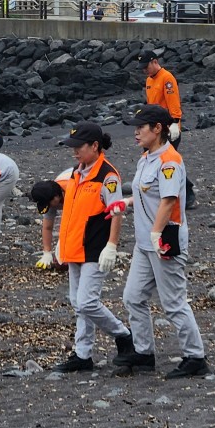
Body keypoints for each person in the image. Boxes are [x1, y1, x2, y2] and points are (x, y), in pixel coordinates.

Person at [30, 122, 134, 373]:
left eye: (79, 147)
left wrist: (112, 245)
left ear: (95, 146)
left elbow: (116, 210)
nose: (74, 152)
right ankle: (83, 354)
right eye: (73, 147)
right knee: (78, 303)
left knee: (87, 302)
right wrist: (57, 248)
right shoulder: (77, 172)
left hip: (94, 247)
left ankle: (122, 335)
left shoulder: (107, 176)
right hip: (74, 247)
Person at [116, 105, 209, 379]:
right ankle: (144, 353)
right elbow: (151, 194)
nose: (135, 132)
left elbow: (169, 201)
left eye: (140, 127)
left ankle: (195, 357)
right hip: (145, 243)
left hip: (164, 240)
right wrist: (129, 202)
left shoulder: (169, 161)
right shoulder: (146, 158)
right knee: (133, 297)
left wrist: (157, 234)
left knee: (173, 302)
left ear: (157, 128)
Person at [141, 50, 196, 209]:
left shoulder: (167, 78)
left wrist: (175, 123)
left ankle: (187, 192)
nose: (145, 70)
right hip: (154, 128)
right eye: (143, 68)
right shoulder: (149, 81)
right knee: (152, 160)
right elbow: (151, 104)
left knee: (167, 160)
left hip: (167, 129)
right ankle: (157, 193)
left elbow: (173, 102)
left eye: (146, 66)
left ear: (154, 62)